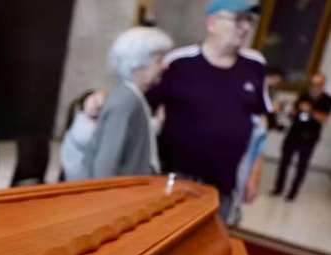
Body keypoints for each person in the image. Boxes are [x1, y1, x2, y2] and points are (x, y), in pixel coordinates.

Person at [147, 0, 271, 220]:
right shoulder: (178, 63)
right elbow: (144, 107)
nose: (246, 27)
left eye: (249, 20)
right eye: (238, 19)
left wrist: (255, 173)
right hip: (174, 178)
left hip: (223, 186)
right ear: (212, 23)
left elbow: (260, 124)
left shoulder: (255, 65)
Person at [85, 27, 173, 178]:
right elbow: (106, 163)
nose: (165, 66)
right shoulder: (126, 100)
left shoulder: (133, 97)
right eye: (158, 61)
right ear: (137, 65)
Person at [270, 73, 331, 201]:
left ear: (322, 85)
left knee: (301, 166)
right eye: (312, 83)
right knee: (284, 163)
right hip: (294, 133)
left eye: (317, 84)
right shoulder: (303, 95)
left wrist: (310, 110)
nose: (314, 86)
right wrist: (291, 111)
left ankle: (292, 193)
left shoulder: (326, 99)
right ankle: (278, 188)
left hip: (310, 138)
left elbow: (323, 119)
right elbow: (294, 114)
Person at [60, 89, 106, 180]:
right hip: (73, 173)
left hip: (70, 169)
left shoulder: (81, 118)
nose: (96, 104)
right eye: (94, 100)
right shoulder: (82, 122)